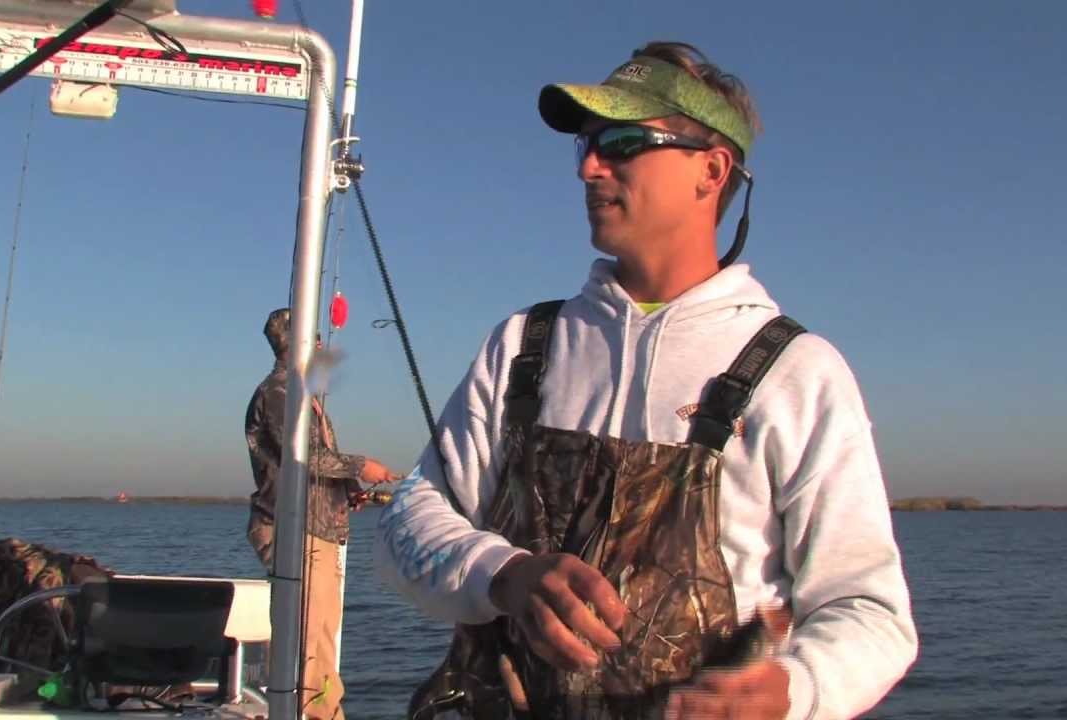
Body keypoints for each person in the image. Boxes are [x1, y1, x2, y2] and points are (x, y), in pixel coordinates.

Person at [374, 41, 917, 720]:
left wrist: (794, 689)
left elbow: (870, 611)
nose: (590, 168)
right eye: (587, 146)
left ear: (712, 170)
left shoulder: (799, 372)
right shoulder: (520, 346)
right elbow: (406, 523)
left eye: (623, 143)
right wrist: (505, 574)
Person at [245, 307, 395, 720]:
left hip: (319, 532)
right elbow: (306, 456)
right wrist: (362, 466)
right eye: (312, 339)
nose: (321, 345)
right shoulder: (279, 394)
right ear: (292, 344)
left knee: (323, 640)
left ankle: (327, 713)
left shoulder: (300, 395)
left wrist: (347, 492)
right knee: (309, 642)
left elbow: (313, 467)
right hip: (296, 532)